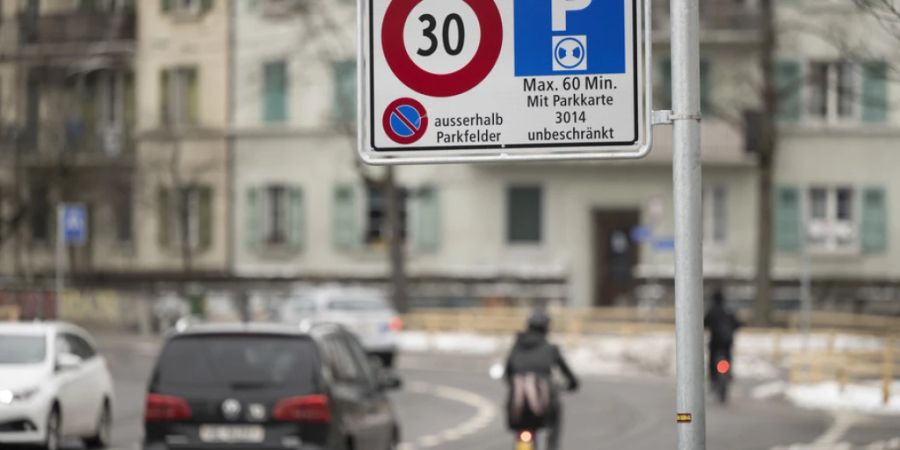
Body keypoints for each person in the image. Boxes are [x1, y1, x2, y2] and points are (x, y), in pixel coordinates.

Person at [504, 309, 579, 450]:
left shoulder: (516, 347)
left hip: (519, 407)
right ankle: (551, 445)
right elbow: (568, 374)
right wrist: (572, 384)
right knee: (553, 424)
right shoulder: (550, 348)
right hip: (545, 407)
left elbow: (508, 372)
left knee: (523, 432)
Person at [703, 289, 741, 380]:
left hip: (715, 342)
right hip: (727, 342)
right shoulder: (728, 310)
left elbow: (705, 323)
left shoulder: (712, 311)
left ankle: (713, 376)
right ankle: (728, 373)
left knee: (712, 360)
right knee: (727, 357)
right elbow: (736, 323)